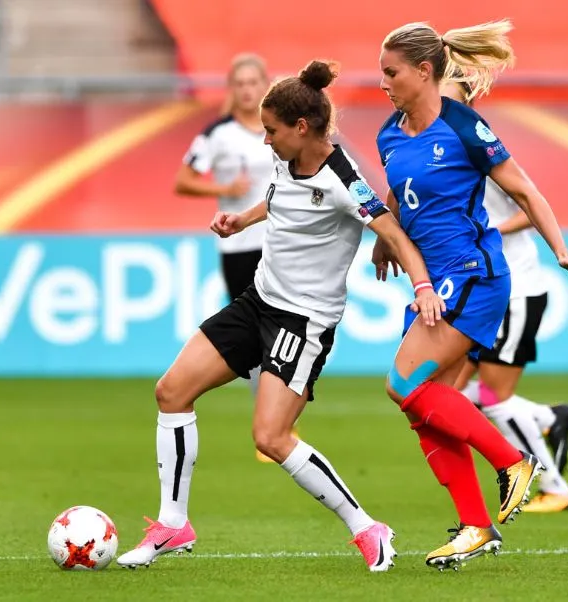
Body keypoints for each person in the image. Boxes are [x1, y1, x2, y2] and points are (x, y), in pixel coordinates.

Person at [117, 60, 446, 573]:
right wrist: (241, 219)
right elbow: (279, 198)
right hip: (258, 301)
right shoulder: (285, 160)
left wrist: (422, 286)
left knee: (270, 438)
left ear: (301, 128)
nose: (265, 140)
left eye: (271, 131)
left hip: (303, 321)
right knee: (171, 391)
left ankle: (366, 526)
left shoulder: (344, 180)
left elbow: (394, 233)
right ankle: (173, 523)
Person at [373, 20, 568, 570]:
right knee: (425, 411)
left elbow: (525, 188)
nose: (383, 83)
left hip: (474, 274)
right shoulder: (389, 133)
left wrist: (562, 251)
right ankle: (476, 526)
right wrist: (388, 240)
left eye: (391, 72)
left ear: (424, 71)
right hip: (434, 278)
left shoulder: (463, 126)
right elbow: (400, 190)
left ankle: (514, 462)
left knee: (403, 381)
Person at [440, 76, 568, 513]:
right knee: (452, 397)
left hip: (515, 290)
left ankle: (554, 486)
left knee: (493, 398)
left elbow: (529, 205)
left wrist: (486, 232)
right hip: (478, 292)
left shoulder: (479, 144)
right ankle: (546, 418)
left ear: (465, 101)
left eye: (446, 94)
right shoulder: (435, 149)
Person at [174, 54, 288, 463]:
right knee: (258, 333)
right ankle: (268, 418)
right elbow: (183, 180)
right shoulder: (218, 135)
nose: (246, 89)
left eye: (253, 81)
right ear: (231, 89)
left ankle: (277, 418)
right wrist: (221, 187)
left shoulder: (281, 130)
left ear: (265, 85)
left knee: (283, 329)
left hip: (280, 242)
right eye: (239, 82)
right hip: (239, 246)